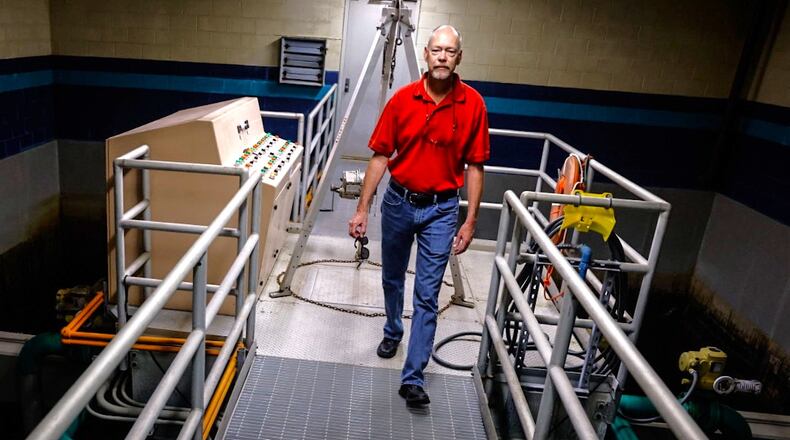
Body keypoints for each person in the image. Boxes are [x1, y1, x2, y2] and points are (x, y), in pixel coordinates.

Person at [347, 25, 490, 407]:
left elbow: (475, 167)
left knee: (427, 294)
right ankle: (393, 328)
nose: (443, 56)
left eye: (451, 51)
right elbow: (380, 156)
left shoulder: (473, 104)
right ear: (426, 54)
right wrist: (362, 208)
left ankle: (413, 377)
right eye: (437, 50)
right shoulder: (402, 100)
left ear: (459, 58)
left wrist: (470, 219)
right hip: (398, 202)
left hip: (442, 210)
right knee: (392, 278)